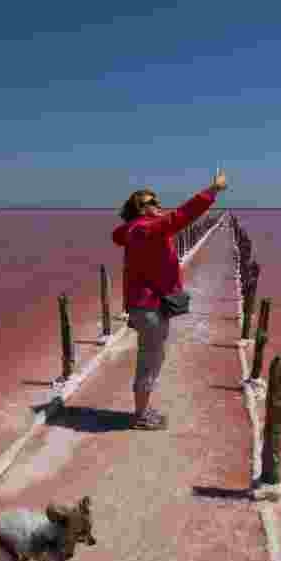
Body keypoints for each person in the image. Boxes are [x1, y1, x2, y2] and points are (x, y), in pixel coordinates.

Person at [112, 169, 228, 429]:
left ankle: (143, 409)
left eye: (157, 200)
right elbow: (183, 215)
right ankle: (140, 416)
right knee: (150, 361)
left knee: (153, 358)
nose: (157, 204)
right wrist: (214, 190)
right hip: (148, 307)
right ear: (140, 210)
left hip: (150, 304)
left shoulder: (138, 230)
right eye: (150, 202)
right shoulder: (145, 230)